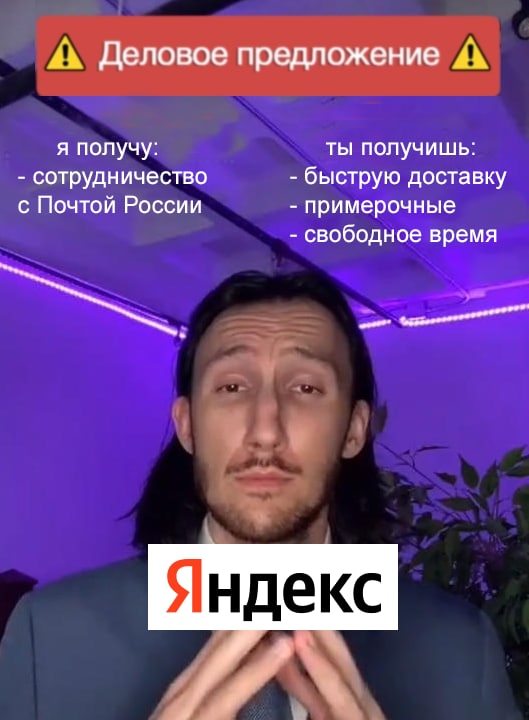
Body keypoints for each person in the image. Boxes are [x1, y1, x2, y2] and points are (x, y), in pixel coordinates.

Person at [0, 270, 521, 720]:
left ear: (354, 431)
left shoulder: (459, 649)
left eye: (306, 388)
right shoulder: (49, 637)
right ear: (187, 425)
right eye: (232, 387)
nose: (265, 430)